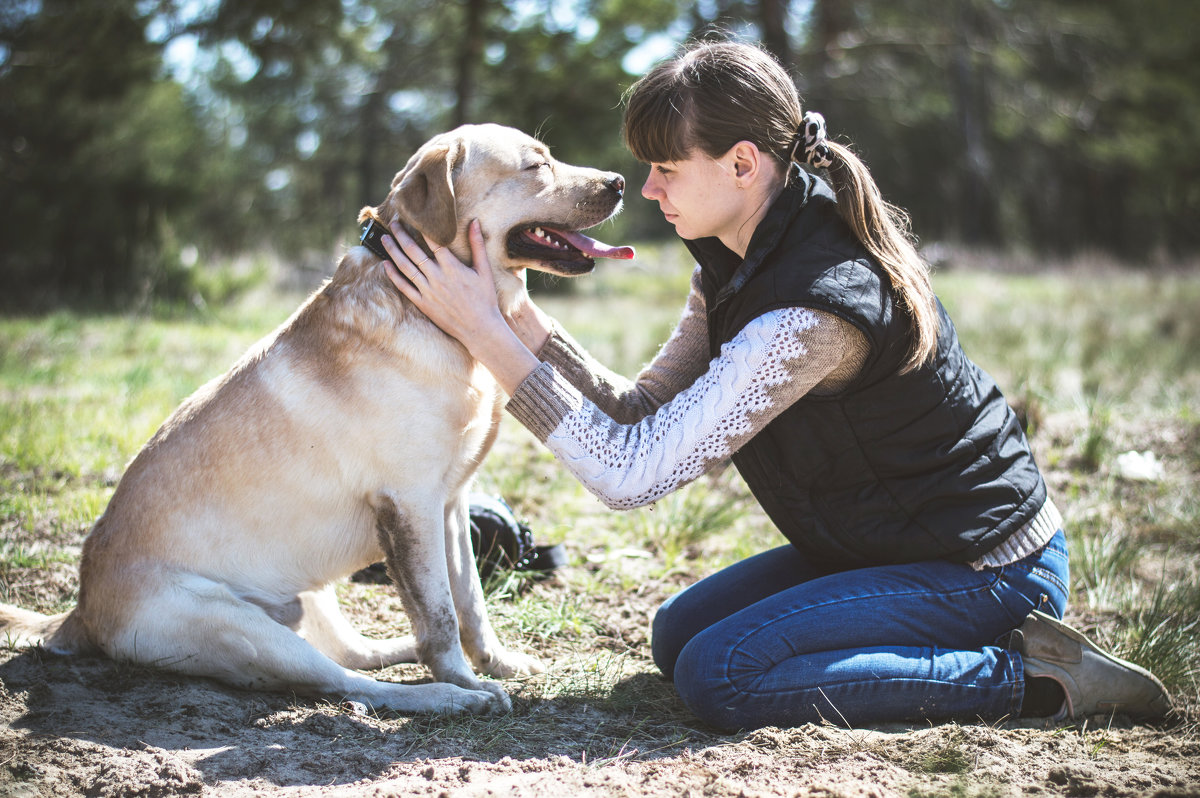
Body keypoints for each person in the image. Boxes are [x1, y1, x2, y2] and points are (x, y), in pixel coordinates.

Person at [377, 40, 1172, 731]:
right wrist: (515, 316)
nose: (648, 191)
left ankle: (1035, 679)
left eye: (663, 168)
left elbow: (630, 473)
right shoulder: (735, 258)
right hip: (878, 545)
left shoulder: (809, 309)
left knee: (720, 675)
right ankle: (957, 645)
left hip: (985, 566)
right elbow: (638, 410)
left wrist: (485, 335)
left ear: (743, 163)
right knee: (675, 635)